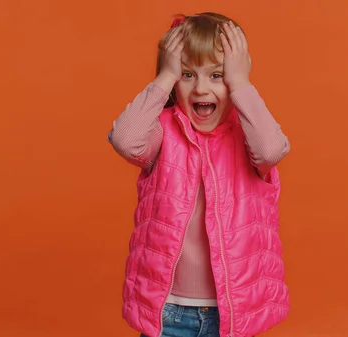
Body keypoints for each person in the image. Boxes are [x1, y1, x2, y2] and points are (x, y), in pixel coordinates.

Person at [107, 12, 290, 337]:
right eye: (188, 74)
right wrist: (163, 77)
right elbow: (125, 139)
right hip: (169, 313)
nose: (201, 88)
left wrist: (241, 84)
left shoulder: (248, 136)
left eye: (217, 75)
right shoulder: (162, 133)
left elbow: (272, 150)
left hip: (233, 314)